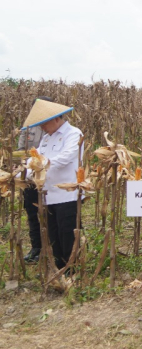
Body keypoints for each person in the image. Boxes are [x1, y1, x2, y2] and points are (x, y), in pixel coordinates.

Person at [20, 99, 83, 270]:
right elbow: (35, 161)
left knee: (67, 232)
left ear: (56, 118)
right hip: (48, 195)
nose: (41, 127)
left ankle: (72, 269)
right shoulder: (46, 139)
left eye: (44, 123)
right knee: (54, 234)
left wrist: (41, 164)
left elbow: (65, 158)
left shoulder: (73, 134)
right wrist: (18, 174)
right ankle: (59, 267)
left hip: (67, 194)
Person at [17, 96, 50, 263]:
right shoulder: (27, 127)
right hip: (30, 177)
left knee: (50, 213)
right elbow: (21, 151)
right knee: (32, 213)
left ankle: (51, 247)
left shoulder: (56, 128)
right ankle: (36, 247)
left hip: (49, 177)